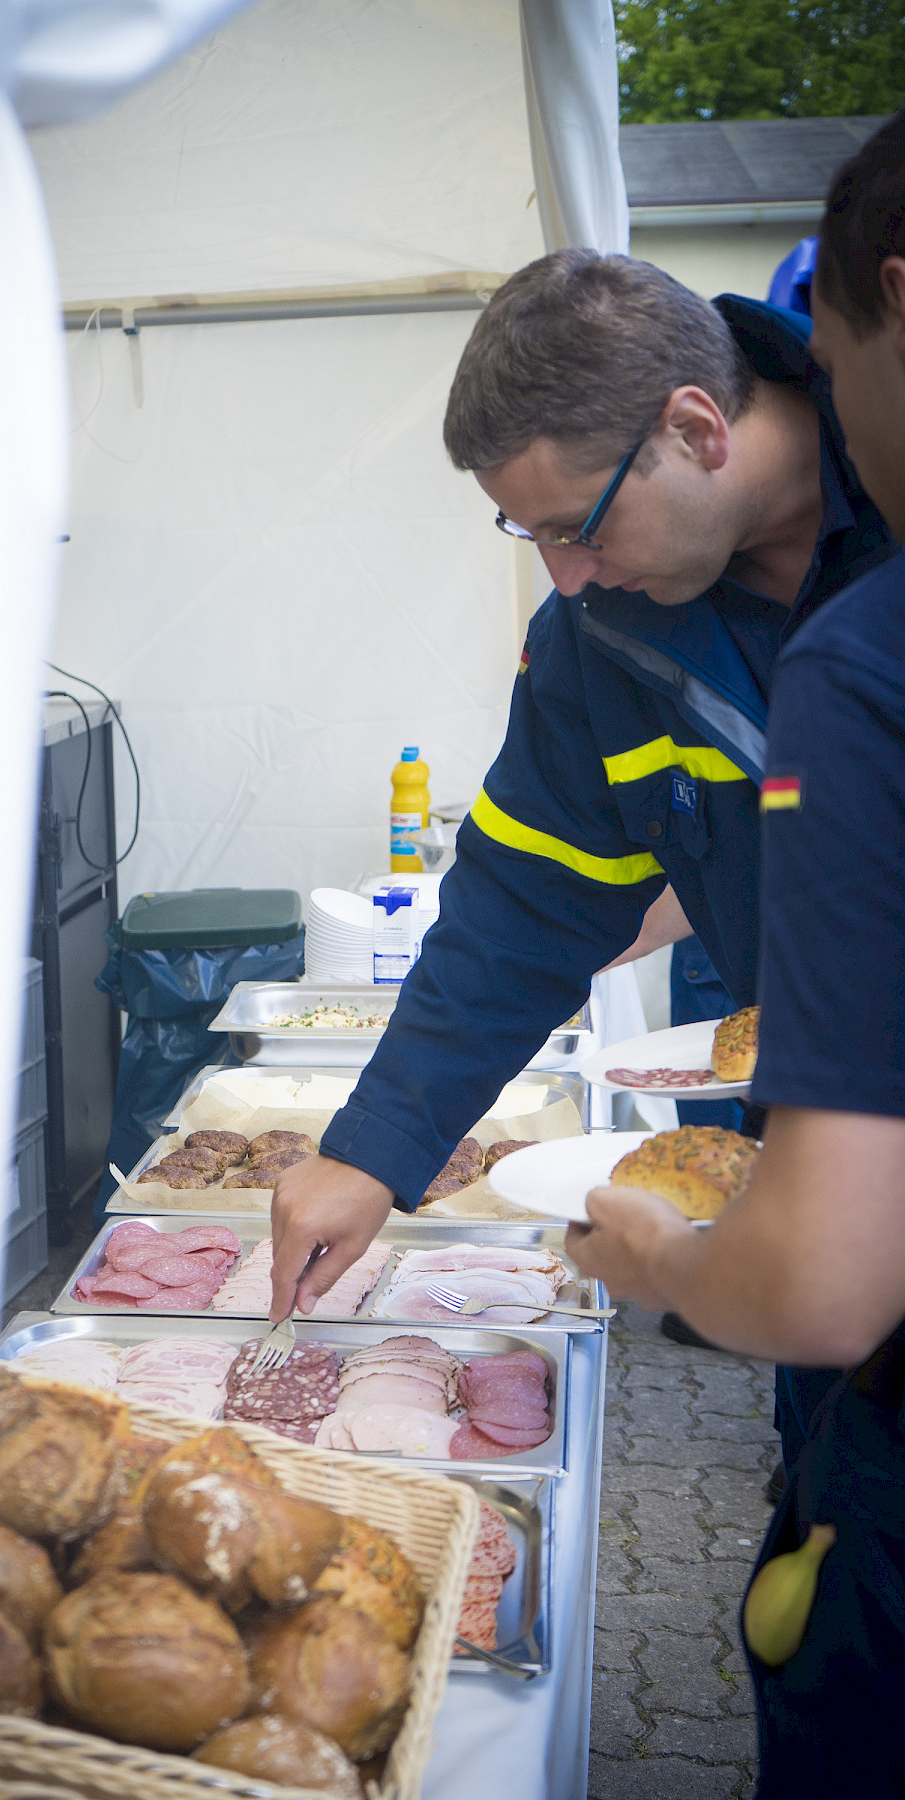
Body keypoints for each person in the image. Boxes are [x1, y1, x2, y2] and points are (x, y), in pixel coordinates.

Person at [268, 249, 895, 1323]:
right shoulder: (595, 642)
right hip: (809, 1169)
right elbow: (522, 909)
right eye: (530, 533)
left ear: (696, 430)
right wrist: (373, 1150)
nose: (567, 576)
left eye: (578, 527)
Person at [567, 110, 905, 1795]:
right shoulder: (607, 634)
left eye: (842, 354)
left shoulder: (858, 665)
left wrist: (660, 1265)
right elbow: (524, 886)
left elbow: (830, 1282)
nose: (564, 576)